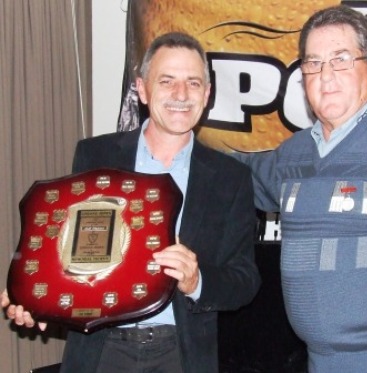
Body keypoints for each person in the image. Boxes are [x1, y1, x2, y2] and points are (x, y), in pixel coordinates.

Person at [1, 31, 261, 373]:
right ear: (141, 88)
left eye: (193, 83)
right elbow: (67, 250)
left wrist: (196, 281)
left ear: (207, 94)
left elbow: (244, 280)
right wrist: (36, 300)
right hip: (99, 348)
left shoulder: (231, 177)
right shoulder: (96, 154)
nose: (181, 94)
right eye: (166, 81)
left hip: (180, 354)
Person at [234, 5, 367, 373]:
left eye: (341, 59)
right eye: (313, 63)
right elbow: (232, 176)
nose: (326, 75)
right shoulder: (294, 154)